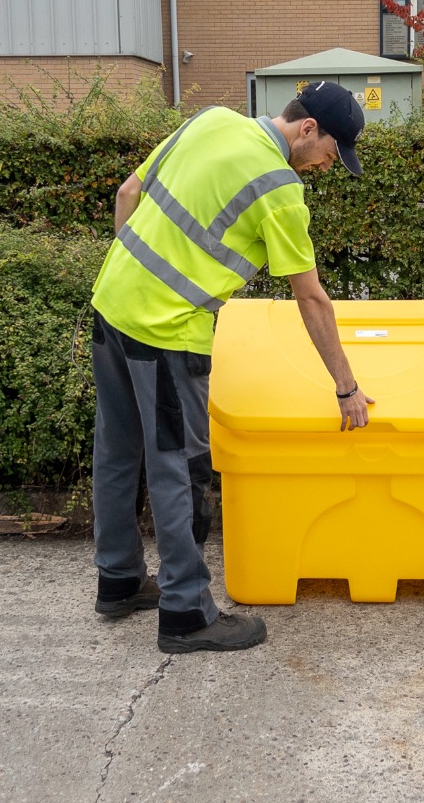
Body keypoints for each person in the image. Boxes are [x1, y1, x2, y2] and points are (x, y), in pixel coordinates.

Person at [90, 80, 374, 654]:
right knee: (181, 469)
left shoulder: (211, 120)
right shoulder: (279, 188)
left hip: (110, 304)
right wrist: (346, 388)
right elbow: (311, 298)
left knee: (117, 452)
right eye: (330, 153)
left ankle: (118, 582)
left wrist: (137, 278)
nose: (326, 167)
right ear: (307, 129)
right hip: (166, 334)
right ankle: (186, 613)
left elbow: (128, 193)